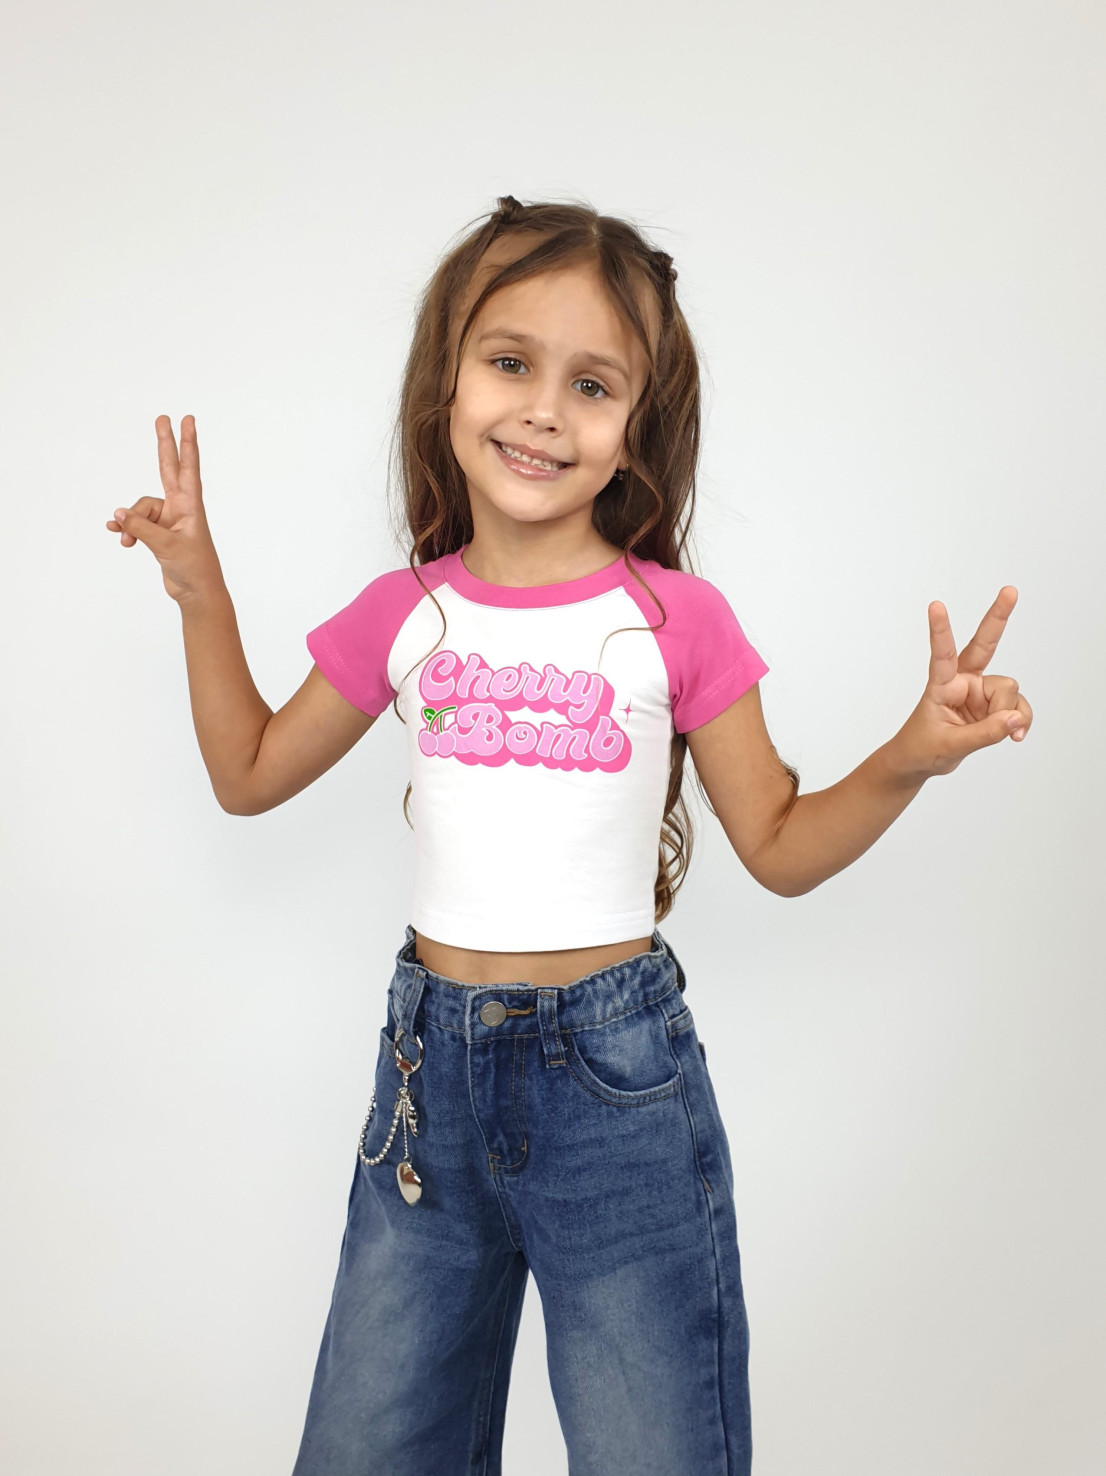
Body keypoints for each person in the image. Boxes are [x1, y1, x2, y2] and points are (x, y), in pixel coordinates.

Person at [106, 194, 1033, 1476]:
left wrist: (909, 757)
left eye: (590, 385)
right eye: (509, 363)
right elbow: (248, 773)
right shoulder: (403, 611)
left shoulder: (676, 620)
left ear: (634, 427)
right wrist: (201, 593)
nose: (543, 410)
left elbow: (777, 845)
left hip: (617, 1089)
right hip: (425, 1090)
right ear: (446, 382)